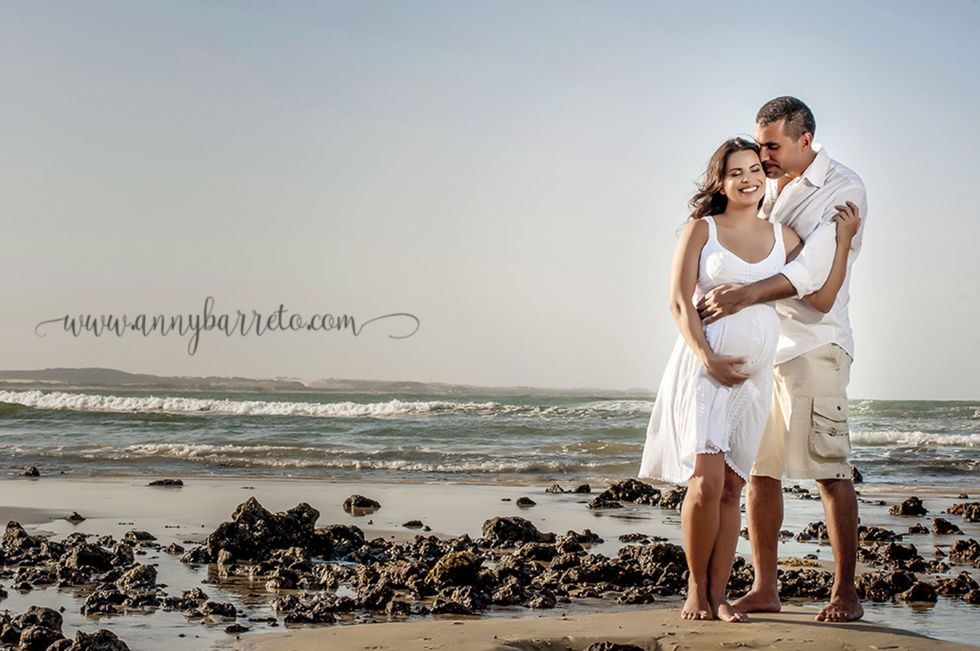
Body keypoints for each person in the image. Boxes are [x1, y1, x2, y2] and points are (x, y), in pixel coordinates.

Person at [639, 136, 860, 623]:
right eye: (736, 172)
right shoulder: (701, 229)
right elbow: (678, 302)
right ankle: (695, 590)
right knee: (705, 482)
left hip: (757, 377)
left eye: (755, 169)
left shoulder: (784, 237)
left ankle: (719, 596)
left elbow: (822, 299)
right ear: (720, 181)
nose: (748, 179)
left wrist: (843, 242)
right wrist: (707, 358)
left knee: (733, 487)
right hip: (706, 370)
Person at [698, 97, 868, 623]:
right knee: (759, 472)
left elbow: (815, 275)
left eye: (772, 146)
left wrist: (744, 295)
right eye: (759, 145)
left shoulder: (842, 188)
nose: (762, 156)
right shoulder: (765, 186)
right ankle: (765, 588)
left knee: (828, 469)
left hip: (815, 345)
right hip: (764, 348)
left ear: (805, 140)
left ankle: (845, 592)